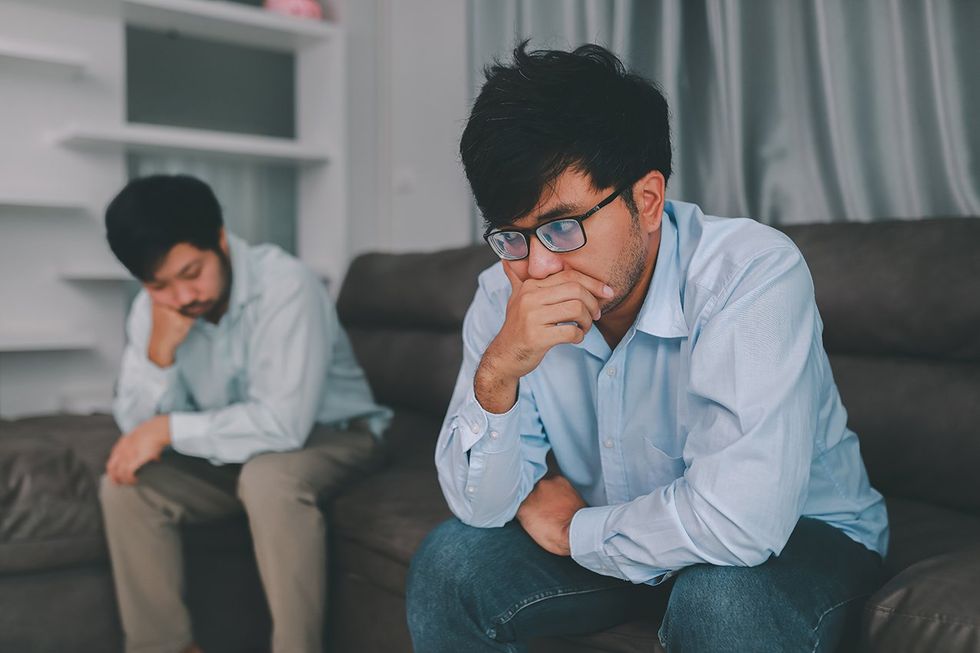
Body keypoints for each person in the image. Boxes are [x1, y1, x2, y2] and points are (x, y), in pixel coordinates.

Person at [406, 43, 888, 652]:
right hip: (623, 524)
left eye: (561, 226)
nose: (540, 267)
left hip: (798, 533)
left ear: (648, 199)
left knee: (721, 602)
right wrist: (498, 374)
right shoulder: (502, 295)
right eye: (512, 235)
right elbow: (479, 508)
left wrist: (575, 531)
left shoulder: (749, 272)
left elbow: (742, 523)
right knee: (449, 564)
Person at [99, 174, 390, 653]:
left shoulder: (286, 286)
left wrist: (170, 426)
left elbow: (282, 425)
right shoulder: (152, 311)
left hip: (334, 435)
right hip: (233, 450)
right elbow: (137, 433)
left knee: (268, 477)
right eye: (158, 286)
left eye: (191, 274)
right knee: (125, 486)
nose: (181, 298)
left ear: (219, 239)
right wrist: (157, 358)